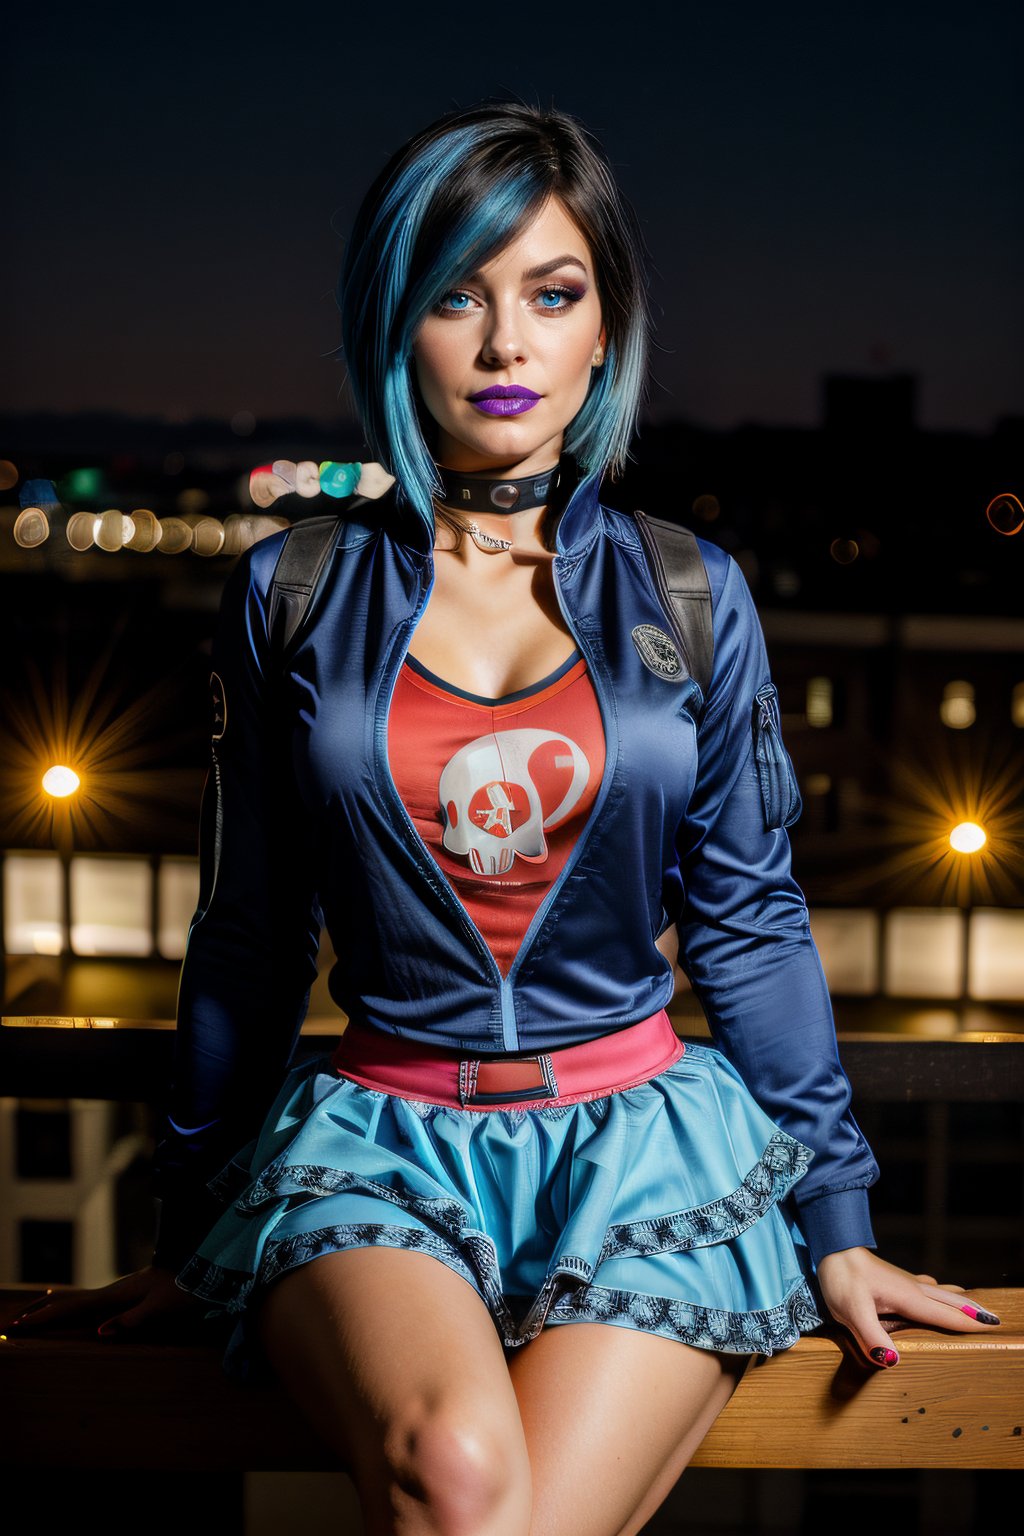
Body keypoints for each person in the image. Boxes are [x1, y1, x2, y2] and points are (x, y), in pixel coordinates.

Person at [13, 101, 999, 1536]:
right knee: (463, 1484)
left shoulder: (688, 590)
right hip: (378, 1148)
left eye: (552, 294)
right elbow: (247, 930)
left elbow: (751, 920)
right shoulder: (290, 588)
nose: (504, 345)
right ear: (388, 324)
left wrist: (837, 1224)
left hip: (648, 1153)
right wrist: (196, 1226)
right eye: (452, 297)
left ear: (606, 327)